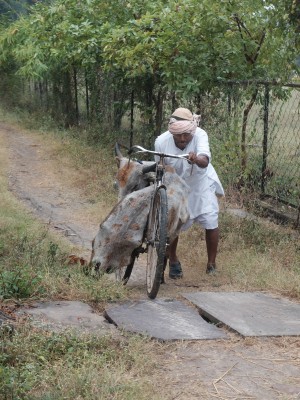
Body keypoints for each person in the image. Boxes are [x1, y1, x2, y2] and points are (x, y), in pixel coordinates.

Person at [154, 107, 224, 279]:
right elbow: (160, 171)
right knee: (173, 225)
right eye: (179, 135)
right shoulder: (161, 142)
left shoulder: (200, 135)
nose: (183, 139)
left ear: (192, 131)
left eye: (187, 135)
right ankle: (173, 259)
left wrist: (196, 159)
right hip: (176, 187)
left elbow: (205, 160)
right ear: (172, 133)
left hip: (200, 185)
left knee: (211, 219)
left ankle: (211, 264)